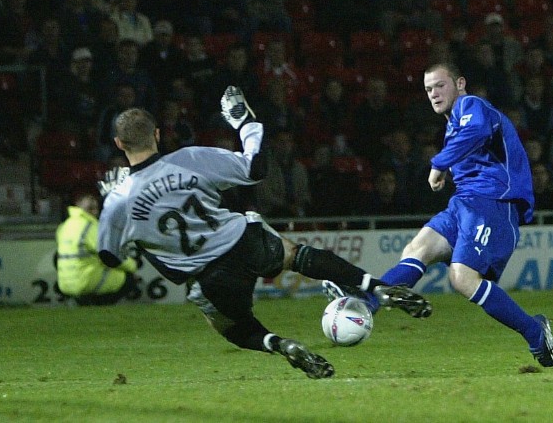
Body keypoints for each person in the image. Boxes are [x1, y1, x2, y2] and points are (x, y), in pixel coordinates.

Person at [96, 87, 432, 379]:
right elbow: (254, 167)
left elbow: (110, 257)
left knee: (233, 328)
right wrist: (246, 123)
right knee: (297, 255)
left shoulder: (118, 200)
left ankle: (281, 344)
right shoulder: (189, 158)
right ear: (157, 134)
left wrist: (126, 217)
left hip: (208, 276)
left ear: (118, 143)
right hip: (242, 240)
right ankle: (378, 288)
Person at [327, 63, 553, 367]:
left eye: (439, 85)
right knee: (417, 249)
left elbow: (477, 131)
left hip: (493, 202)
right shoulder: (453, 125)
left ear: (460, 83)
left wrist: (438, 163)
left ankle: (535, 332)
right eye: (427, 89)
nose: (433, 94)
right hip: (464, 204)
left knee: (462, 278)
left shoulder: (471, 104)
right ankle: (366, 303)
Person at [55, 193, 139, 305]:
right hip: (85, 282)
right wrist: (133, 266)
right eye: (92, 209)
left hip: (65, 283)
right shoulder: (90, 227)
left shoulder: (65, 226)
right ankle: (100, 306)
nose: (95, 212)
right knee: (128, 279)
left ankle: (84, 304)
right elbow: (112, 254)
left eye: (95, 208)